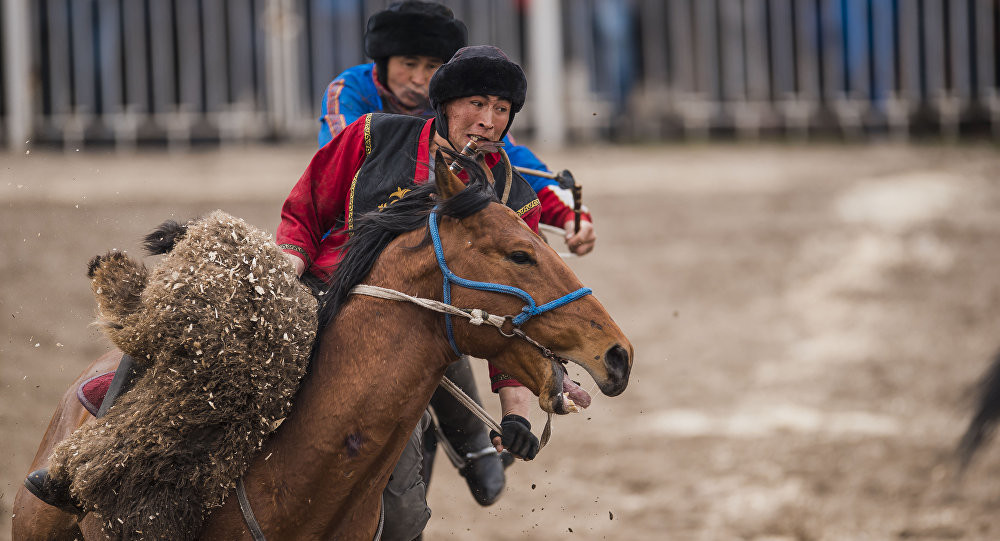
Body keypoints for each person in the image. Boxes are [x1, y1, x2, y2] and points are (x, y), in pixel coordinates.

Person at [278, 44, 583, 541]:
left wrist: (516, 415)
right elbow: (306, 208)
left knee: (401, 516)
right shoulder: (372, 136)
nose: (488, 121)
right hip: (321, 299)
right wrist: (286, 268)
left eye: (501, 110)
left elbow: (511, 318)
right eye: (477, 104)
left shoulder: (513, 199)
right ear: (444, 105)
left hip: (406, 355)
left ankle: (478, 454)